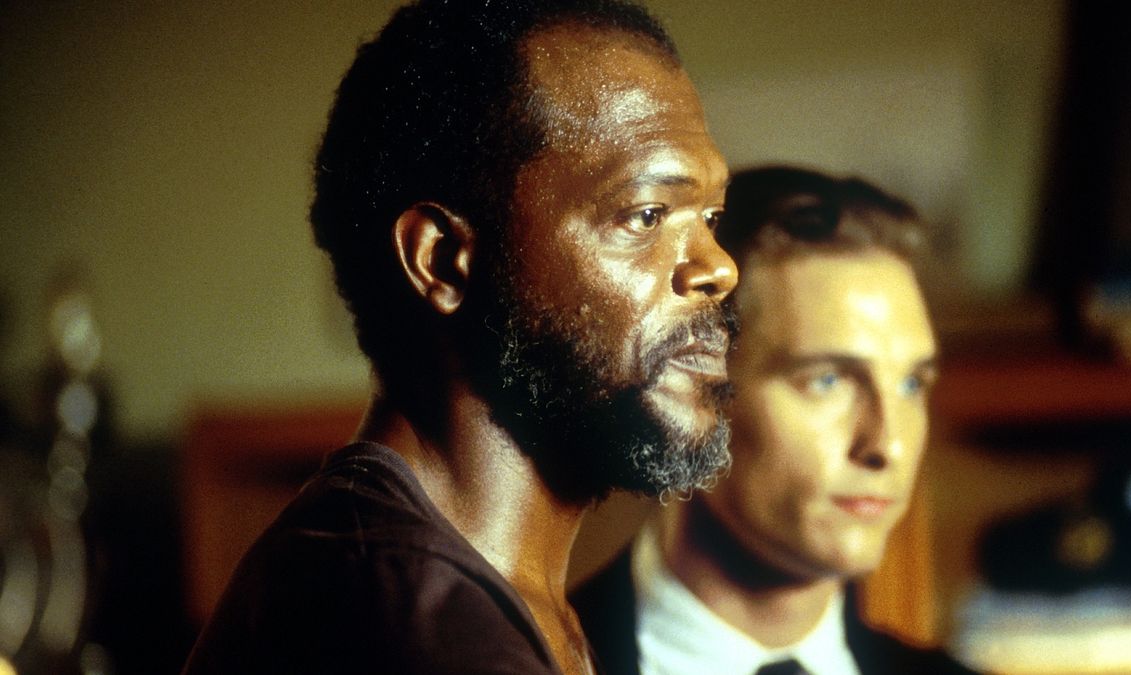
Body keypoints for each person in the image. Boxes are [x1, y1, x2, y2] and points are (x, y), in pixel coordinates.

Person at [182, 1, 737, 673]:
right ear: (443, 260)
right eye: (646, 215)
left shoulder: (470, 591)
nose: (719, 267)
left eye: (711, 217)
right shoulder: (412, 622)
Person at [572, 166, 975, 674]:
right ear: (687, 392)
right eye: (827, 380)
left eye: (912, 384)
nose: (887, 445)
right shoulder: (526, 660)